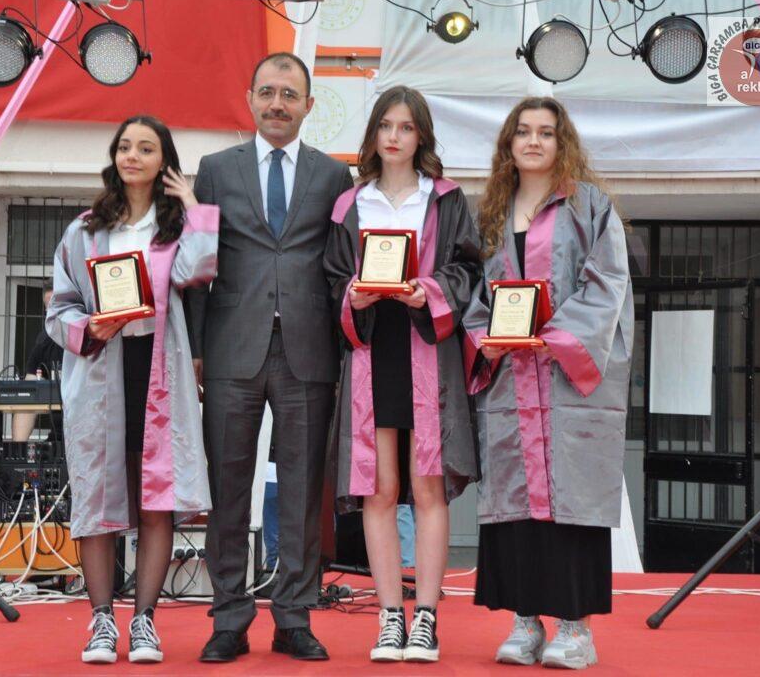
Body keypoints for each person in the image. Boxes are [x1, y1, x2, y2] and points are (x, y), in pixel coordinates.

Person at [184, 52, 353, 663]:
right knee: (228, 489)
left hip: (309, 351)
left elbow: (341, 267)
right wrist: (196, 350)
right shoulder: (214, 170)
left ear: (309, 104)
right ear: (250, 98)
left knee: (304, 492)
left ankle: (293, 617)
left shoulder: (333, 176)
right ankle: (229, 618)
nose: (277, 104)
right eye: (268, 92)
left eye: (289, 94)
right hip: (231, 349)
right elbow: (198, 266)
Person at [462, 97, 633, 670]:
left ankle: (576, 629)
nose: (533, 141)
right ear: (508, 143)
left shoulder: (590, 207)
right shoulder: (492, 214)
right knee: (516, 505)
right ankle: (526, 621)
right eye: (523, 132)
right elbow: (476, 298)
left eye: (546, 132)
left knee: (571, 503)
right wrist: (485, 339)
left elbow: (606, 283)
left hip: (565, 384)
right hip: (512, 382)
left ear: (563, 144)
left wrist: (552, 336)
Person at [46, 115, 219, 665]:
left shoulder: (175, 228)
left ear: (163, 161)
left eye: (146, 148)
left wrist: (193, 205)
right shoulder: (83, 230)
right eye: (125, 147)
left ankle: (144, 620)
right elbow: (59, 308)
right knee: (96, 497)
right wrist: (89, 327)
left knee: (155, 499)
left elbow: (200, 268)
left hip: (158, 368)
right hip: (101, 366)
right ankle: (101, 620)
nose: (133, 156)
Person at [324, 85, 481, 664]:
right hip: (372, 348)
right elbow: (331, 276)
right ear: (373, 134)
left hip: (426, 346)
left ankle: (427, 619)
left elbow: (469, 268)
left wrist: (430, 291)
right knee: (381, 487)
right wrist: (352, 295)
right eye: (386, 126)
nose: (394, 137)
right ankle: (390, 615)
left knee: (427, 485)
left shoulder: (446, 199)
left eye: (406, 127)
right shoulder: (349, 204)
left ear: (421, 137)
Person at [12, 282, 63, 443]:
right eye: (49, 307)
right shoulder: (45, 341)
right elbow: (29, 394)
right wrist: (18, 451)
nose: (54, 313)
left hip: (92, 435)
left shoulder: (92, 337)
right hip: (59, 436)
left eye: (58, 305)